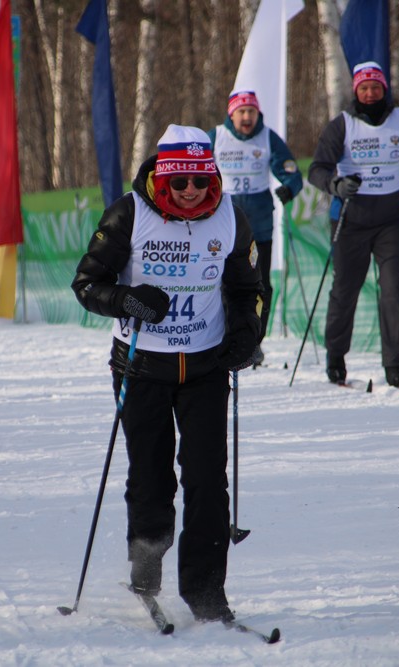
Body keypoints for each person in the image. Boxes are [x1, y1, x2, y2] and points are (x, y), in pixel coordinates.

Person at [72, 124, 264, 623]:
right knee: (151, 477)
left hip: (206, 366)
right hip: (141, 365)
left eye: (201, 180)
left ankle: (206, 591)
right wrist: (128, 300)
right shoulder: (129, 215)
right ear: (162, 178)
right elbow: (87, 284)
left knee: (207, 480)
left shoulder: (230, 217)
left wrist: (248, 332)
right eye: (180, 182)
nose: (191, 191)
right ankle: (146, 572)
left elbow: (249, 288)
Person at [308, 62, 399, 388]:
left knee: (394, 289)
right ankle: (335, 358)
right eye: (364, 88)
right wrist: (336, 185)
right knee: (345, 290)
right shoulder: (342, 125)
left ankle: (394, 365)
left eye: (375, 87)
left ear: (385, 89)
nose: (370, 93)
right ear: (356, 91)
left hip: (390, 221)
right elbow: (317, 170)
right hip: (349, 220)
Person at [209, 90, 304, 366]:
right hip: (223, 226)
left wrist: (289, 188)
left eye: (251, 111)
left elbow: (292, 172)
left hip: (258, 228)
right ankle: (219, 337)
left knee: (260, 285)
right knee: (219, 284)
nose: (247, 117)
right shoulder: (216, 137)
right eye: (241, 112)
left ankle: (253, 343)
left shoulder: (267, 137)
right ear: (232, 115)